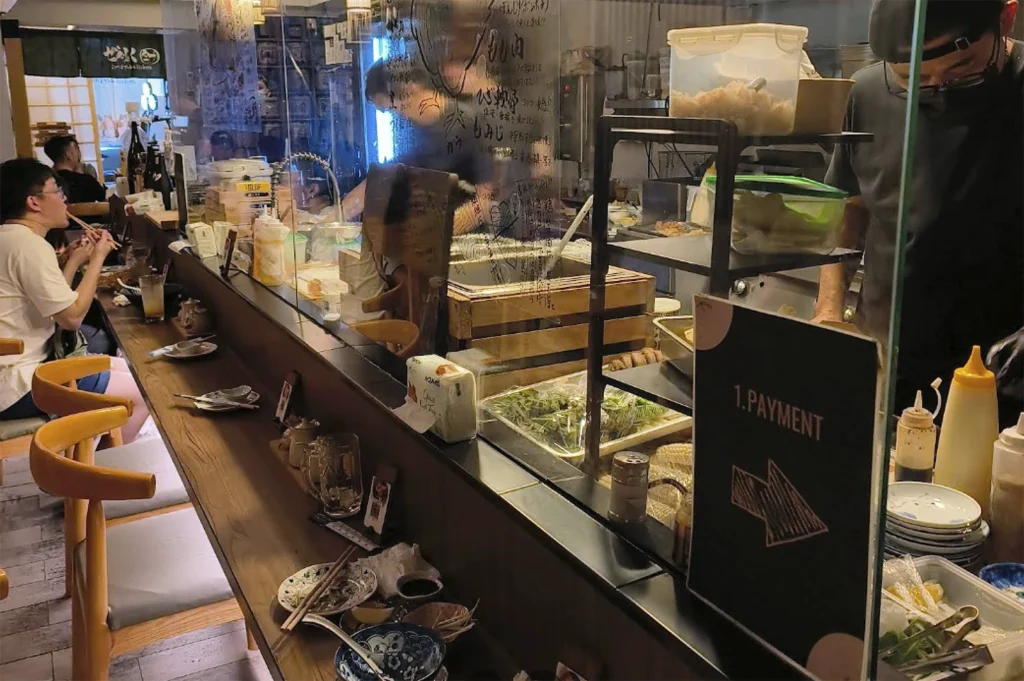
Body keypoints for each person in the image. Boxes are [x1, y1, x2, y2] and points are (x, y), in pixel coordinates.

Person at [816, 0, 1024, 426]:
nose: (939, 89)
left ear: (1006, 18)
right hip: (888, 362)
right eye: (915, 80)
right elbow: (848, 208)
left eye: (962, 69)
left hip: (1001, 375)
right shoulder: (869, 92)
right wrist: (829, 311)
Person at [0, 159, 150, 441]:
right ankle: (101, 475)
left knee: (126, 368)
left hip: (18, 371)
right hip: (15, 384)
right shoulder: (29, 245)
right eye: (56, 191)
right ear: (34, 202)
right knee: (144, 392)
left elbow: (52, 305)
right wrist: (97, 259)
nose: (64, 198)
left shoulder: (11, 238)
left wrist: (75, 260)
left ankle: (96, 464)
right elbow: (71, 318)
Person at [43, 135, 107, 204]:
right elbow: (106, 204)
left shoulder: (45, 182)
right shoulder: (87, 181)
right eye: (76, 149)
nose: (79, 154)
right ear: (68, 154)